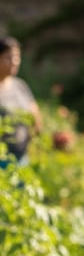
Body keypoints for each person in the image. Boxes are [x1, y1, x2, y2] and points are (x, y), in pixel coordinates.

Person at [0, 36, 42, 167]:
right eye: (9, 57)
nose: (14, 62)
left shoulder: (20, 86)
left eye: (17, 57)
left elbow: (35, 116)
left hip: (22, 158)